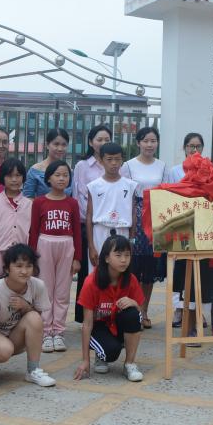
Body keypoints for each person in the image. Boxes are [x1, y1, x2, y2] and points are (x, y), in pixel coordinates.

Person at [0, 244, 56, 394]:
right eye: (18, 266)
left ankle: (33, 370)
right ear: (7, 269)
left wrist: (26, 307)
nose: (24, 271)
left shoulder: (38, 286)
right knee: (4, 350)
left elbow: (37, 321)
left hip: (13, 334)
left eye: (28, 266)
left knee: (34, 317)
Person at [73, 234, 145, 382]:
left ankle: (130, 364)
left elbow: (140, 314)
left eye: (127, 255)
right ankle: (100, 354)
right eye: (118, 255)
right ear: (106, 258)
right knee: (111, 352)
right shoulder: (91, 282)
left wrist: (133, 303)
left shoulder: (131, 279)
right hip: (98, 327)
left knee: (133, 314)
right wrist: (85, 360)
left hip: (117, 324)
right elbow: (87, 324)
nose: (124, 260)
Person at [28, 160, 81, 352]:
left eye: (65, 175)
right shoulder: (39, 202)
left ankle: (58, 332)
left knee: (62, 292)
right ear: (48, 178)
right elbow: (33, 231)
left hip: (66, 246)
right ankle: (45, 332)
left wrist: (77, 258)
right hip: (45, 244)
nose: (61, 178)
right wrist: (32, 258)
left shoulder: (72, 203)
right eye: (57, 175)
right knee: (45, 290)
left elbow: (77, 231)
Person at [120, 126, 166, 328]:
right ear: (138, 143)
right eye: (145, 141)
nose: (149, 144)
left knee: (149, 268)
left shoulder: (162, 166)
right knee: (133, 267)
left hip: (155, 216)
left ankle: (144, 310)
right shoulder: (128, 166)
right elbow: (124, 193)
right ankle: (132, 311)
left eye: (153, 141)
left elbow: (166, 192)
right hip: (135, 215)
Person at [165, 132, 212, 330]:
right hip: (180, 224)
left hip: (201, 225)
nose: (194, 149)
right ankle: (179, 309)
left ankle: (197, 311)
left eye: (198, 146)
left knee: (200, 271)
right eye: (191, 146)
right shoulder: (175, 171)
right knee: (179, 270)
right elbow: (168, 195)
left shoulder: (209, 169)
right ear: (184, 148)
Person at [72, 125, 112, 323]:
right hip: (87, 225)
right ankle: (85, 316)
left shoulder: (115, 164)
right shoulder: (82, 166)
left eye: (107, 139)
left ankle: (107, 313)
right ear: (90, 142)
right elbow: (77, 195)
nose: (103, 143)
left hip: (110, 225)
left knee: (109, 269)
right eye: (99, 139)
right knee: (87, 273)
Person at [0, 157, 31, 286]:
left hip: (22, 255)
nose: (14, 179)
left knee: (19, 288)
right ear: (2, 177)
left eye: (18, 175)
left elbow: (32, 232)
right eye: (9, 175)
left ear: (23, 177)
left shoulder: (29, 204)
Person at [86, 142, 136, 270]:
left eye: (117, 159)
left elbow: (133, 214)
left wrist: (131, 240)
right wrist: (91, 246)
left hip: (122, 231)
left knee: (121, 271)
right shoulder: (94, 186)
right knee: (98, 272)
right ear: (101, 160)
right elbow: (89, 215)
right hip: (100, 232)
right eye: (109, 159)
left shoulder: (130, 185)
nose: (114, 163)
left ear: (122, 160)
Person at [23, 128, 72, 199]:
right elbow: (27, 198)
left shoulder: (69, 171)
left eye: (64, 145)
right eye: (56, 144)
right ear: (47, 145)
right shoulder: (35, 170)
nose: (60, 149)